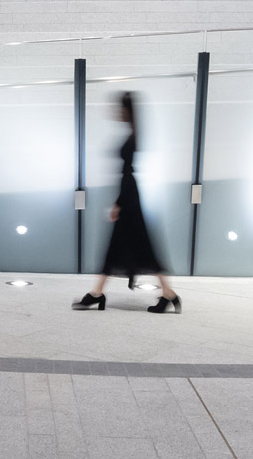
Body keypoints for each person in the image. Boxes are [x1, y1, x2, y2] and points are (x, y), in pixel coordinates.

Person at [74, 91, 181, 313]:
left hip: (130, 197)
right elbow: (127, 174)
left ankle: (97, 294)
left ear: (127, 110)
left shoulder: (132, 136)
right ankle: (167, 294)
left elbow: (127, 174)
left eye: (119, 108)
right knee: (136, 247)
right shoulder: (133, 134)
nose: (116, 112)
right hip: (130, 195)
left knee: (131, 247)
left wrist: (119, 203)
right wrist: (119, 200)